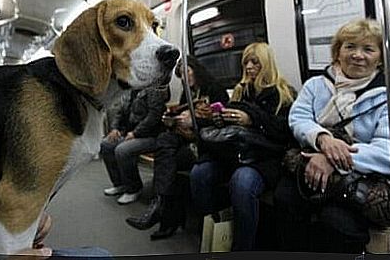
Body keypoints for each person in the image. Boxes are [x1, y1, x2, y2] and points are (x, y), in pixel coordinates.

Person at [273, 18, 390, 253]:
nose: (358, 55)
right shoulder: (316, 85)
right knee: (284, 199)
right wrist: (322, 139)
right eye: (350, 46)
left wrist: (333, 160)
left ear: (379, 57)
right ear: (338, 52)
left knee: (337, 222)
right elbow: (298, 118)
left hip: (359, 176)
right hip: (312, 158)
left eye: (368, 49)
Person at [190, 42, 296, 251]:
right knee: (199, 173)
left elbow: (283, 131)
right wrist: (220, 119)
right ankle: (217, 223)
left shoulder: (283, 93)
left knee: (242, 181)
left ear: (266, 64)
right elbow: (231, 129)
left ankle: (243, 247)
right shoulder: (240, 91)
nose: (249, 67)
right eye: (246, 62)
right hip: (235, 153)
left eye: (255, 62)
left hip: (264, 158)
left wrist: (251, 119)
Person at [125, 55, 229, 240]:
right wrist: (173, 121)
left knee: (168, 161)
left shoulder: (215, 89)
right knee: (166, 148)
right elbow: (182, 116)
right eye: (181, 75)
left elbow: (220, 123)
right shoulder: (187, 93)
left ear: (196, 69)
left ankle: (163, 213)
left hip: (208, 143)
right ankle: (164, 211)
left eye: (187, 72)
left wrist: (194, 120)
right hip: (188, 139)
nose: (185, 77)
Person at [101, 86, 169, 205]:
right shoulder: (129, 90)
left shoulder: (154, 91)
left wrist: (136, 133)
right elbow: (120, 112)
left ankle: (134, 188)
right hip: (130, 133)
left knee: (123, 150)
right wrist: (114, 128)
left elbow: (154, 116)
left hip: (151, 136)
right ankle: (120, 184)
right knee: (106, 144)